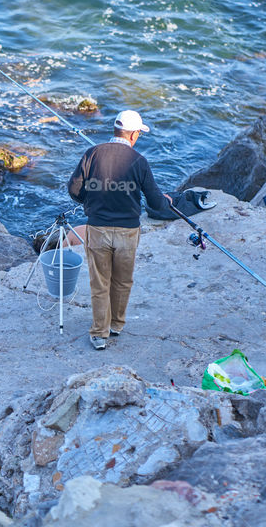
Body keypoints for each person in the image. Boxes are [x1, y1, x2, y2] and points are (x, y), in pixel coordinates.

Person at [67, 110, 170, 350]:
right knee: (122, 281)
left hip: (98, 229)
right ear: (134, 134)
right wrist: (166, 202)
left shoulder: (92, 153)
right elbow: (155, 202)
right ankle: (116, 325)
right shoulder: (139, 161)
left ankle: (99, 334)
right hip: (127, 232)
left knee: (100, 282)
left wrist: (88, 201)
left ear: (115, 130)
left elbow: (74, 189)